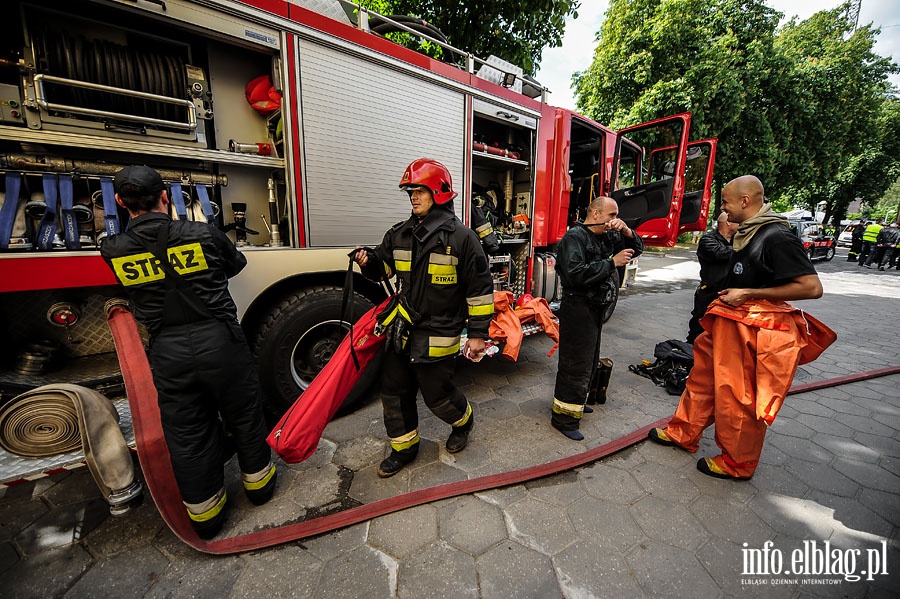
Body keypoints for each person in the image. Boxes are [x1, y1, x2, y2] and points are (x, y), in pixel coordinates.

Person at [100, 165, 275, 538]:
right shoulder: (203, 234)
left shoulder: (113, 249)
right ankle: (260, 489)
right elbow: (236, 264)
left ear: (119, 202)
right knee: (244, 413)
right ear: (165, 196)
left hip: (168, 350)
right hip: (220, 341)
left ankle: (206, 517)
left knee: (188, 431)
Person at [648, 175, 828, 480]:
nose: (723, 207)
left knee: (738, 396)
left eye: (726, 201)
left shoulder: (776, 236)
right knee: (702, 381)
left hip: (752, 326)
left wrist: (749, 293)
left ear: (746, 201)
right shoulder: (749, 233)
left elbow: (811, 287)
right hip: (728, 321)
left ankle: (737, 463)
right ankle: (683, 432)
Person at [353, 158, 494, 477]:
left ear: (440, 192)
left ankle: (463, 421)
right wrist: (367, 261)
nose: (413, 196)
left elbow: (480, 290)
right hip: (401, 330)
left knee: (438, 396)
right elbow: (382, 270)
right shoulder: (399, 234)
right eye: (410, 192)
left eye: (420, 190)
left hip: (440, 331)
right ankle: (404, 448)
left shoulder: (462, 239)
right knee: (393, 392)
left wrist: (477, 334)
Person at [551, 196, 643, 440]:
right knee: (575, 364)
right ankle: (564, 419)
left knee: (590, 359)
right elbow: (574, 275)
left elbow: (638, 249)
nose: (614, 221)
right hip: (577, 307)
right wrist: (611, 262)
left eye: (616, 216)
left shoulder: (606, 235)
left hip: (594, 307)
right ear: (595, 214)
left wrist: (625, 230)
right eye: (612, 216)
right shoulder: (575, 238)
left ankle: (578, 402)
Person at [686, 212, 738, 343]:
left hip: (728, 293)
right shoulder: (708, 239)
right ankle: (690, 354)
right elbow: (719, 253)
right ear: (728, 222)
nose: (741, 225)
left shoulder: (736, 240)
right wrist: (744, 249)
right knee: (700, 325)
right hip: (709, 292)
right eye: (737, 221)